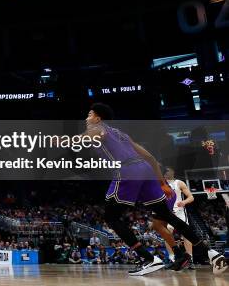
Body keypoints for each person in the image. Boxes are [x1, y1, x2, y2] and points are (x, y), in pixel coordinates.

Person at [83, 103, 227, 276]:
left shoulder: (97, 128)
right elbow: (150, 157)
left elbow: (85, 137)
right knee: (165, 217)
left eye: (90, 114)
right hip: (145, 169)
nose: (87, 118)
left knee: (111, 217)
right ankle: (212, 255)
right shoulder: (122, 134)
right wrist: (162, 183)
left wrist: (60, 140)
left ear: (98, 118)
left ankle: (149, 259)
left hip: (128, 171)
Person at [152, 166, 195, 269]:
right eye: (165, 171)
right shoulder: (160, 183)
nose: (166, 172)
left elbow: (191, 197)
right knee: (168, 233)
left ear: (173, 171)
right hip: (167, 212)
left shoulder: (179, 183)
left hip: (180, 212)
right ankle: (173, 258)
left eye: (168, 170)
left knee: (186, 235)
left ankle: (190, 259)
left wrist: (184, 202)